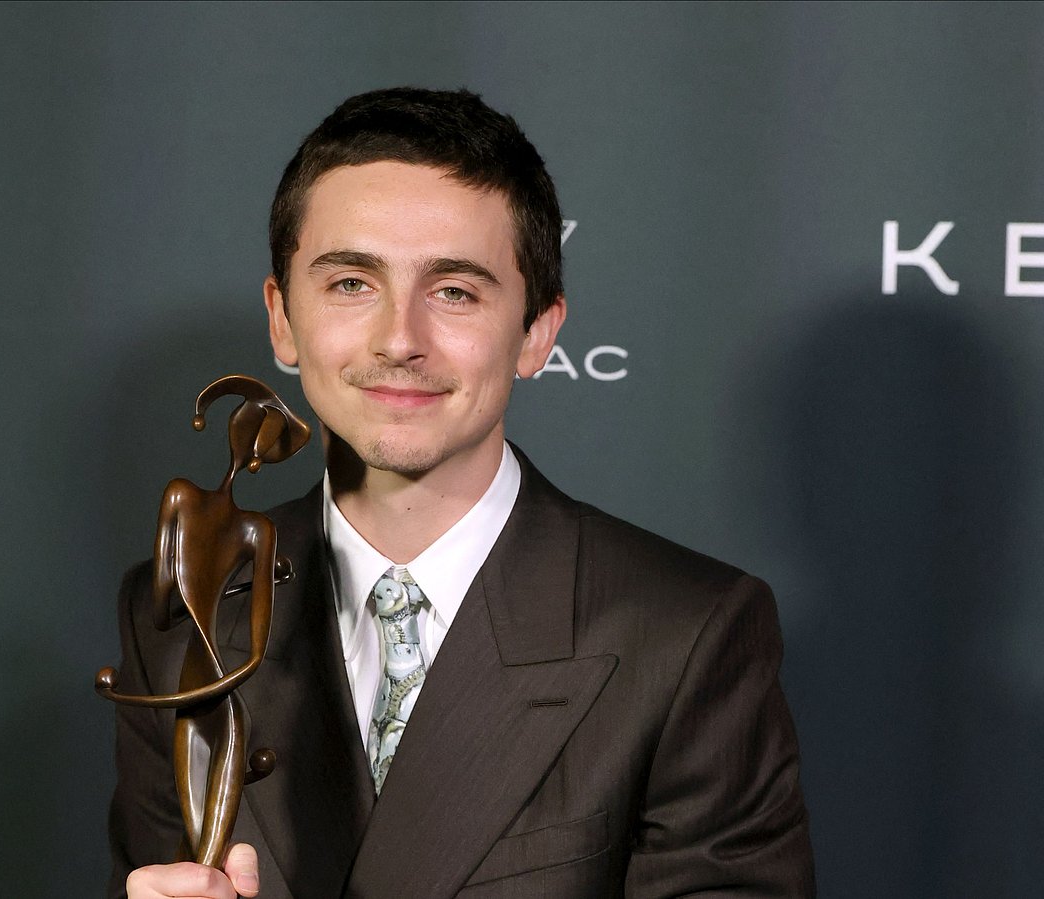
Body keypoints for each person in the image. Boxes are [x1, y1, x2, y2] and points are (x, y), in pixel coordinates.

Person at [107, 87, 815, 898]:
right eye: (350, 284)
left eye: (455, 291)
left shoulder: (682, 636)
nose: (399, 339)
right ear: (282, 321)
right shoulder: (183, 611)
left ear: (537, 333)